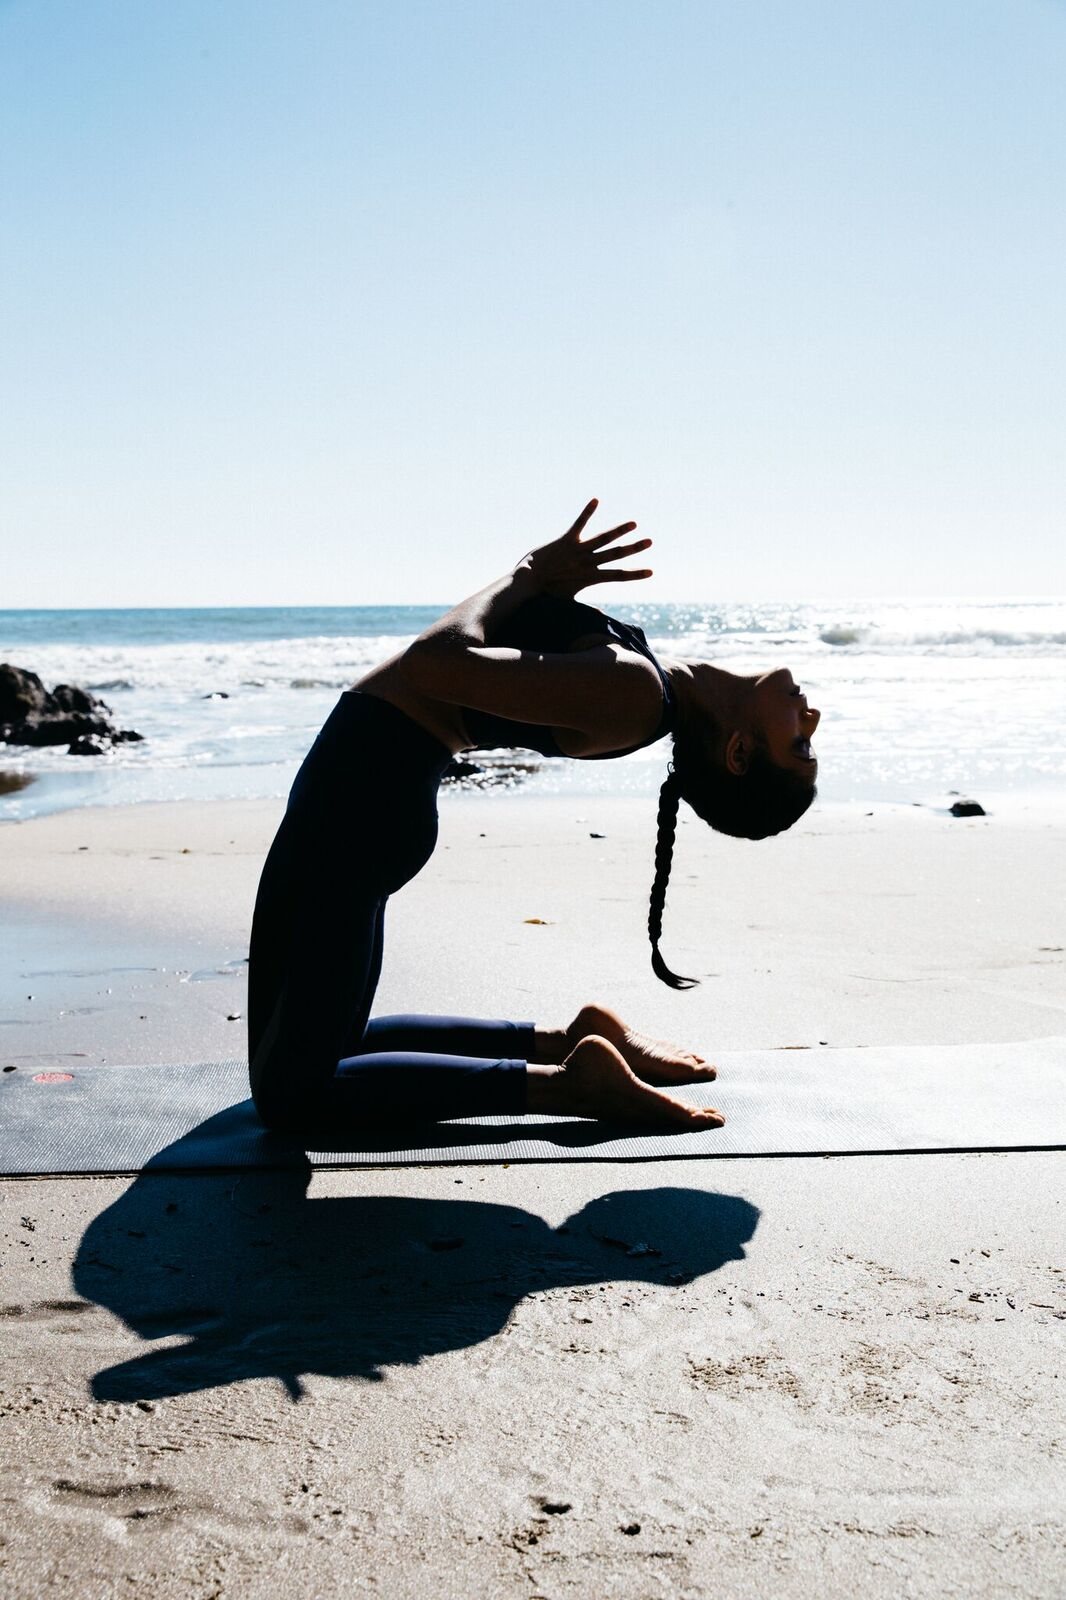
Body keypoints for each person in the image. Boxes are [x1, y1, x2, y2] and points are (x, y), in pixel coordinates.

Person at [247, 500, 820, 1137]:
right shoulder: (647, 682)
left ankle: (567, 1085)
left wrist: (525, 577)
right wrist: (547, 586)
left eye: (800, 744)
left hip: (358, 807)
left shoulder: (634, 694)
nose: (811, 721)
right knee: (339, 1046)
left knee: (290, 1101)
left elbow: (429, 665)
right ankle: (564, 1042)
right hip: (361, 797)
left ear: (738, 752)